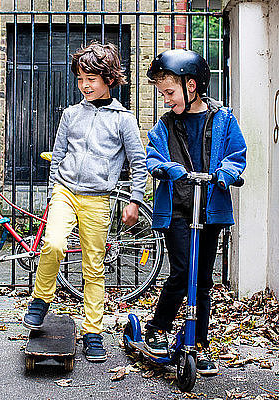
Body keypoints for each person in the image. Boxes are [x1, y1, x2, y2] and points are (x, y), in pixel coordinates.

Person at [22, 42, 148, 362]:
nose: (84, 85)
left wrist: (134, 200)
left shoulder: (123, 119)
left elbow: (138, 161)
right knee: (52, 243)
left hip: (98, 199)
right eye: (80, 79)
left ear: (108, 79)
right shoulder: (70, 114)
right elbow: (59, 155)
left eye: (91, 78)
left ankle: (93, 332)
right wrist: (53, 192)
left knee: (94, 267)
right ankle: (40, 299)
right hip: (65, 191)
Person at [144, 49, 246, 375]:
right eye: (162, 94)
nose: (165, 100)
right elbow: (153, 157)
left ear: (192, 87)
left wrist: (227, 173)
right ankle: (158, 328)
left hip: (209, 210)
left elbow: (236, 153)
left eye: (169, 92)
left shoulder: (223, 119)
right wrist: (167, 168)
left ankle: (197, 342)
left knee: (202, 281)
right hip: (177, 209)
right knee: (182, 272)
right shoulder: (165, 125)